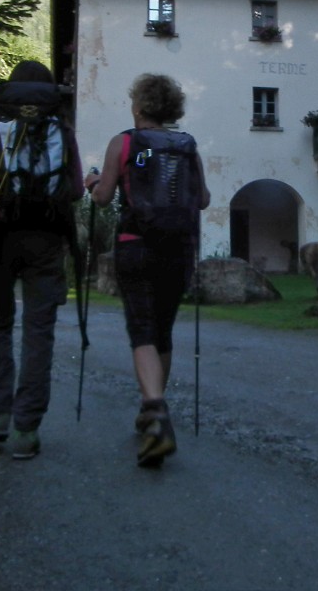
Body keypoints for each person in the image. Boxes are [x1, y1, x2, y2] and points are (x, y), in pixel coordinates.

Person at [85, 73, 210, 467]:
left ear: (138, 107)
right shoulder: (186, 146)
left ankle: (154, 410)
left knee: (141, 329)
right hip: (179, 249)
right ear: (171, 109)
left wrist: (92, 182)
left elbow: (104, 198)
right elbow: (203, 199)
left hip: (135, 246)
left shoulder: (124, 143)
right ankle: (150, 412)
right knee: (163, 332)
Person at [0, 60, 83, 460]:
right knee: (38, 332)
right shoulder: (61, 129)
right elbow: (76, 188)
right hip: (46, 240)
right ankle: (26, 431)